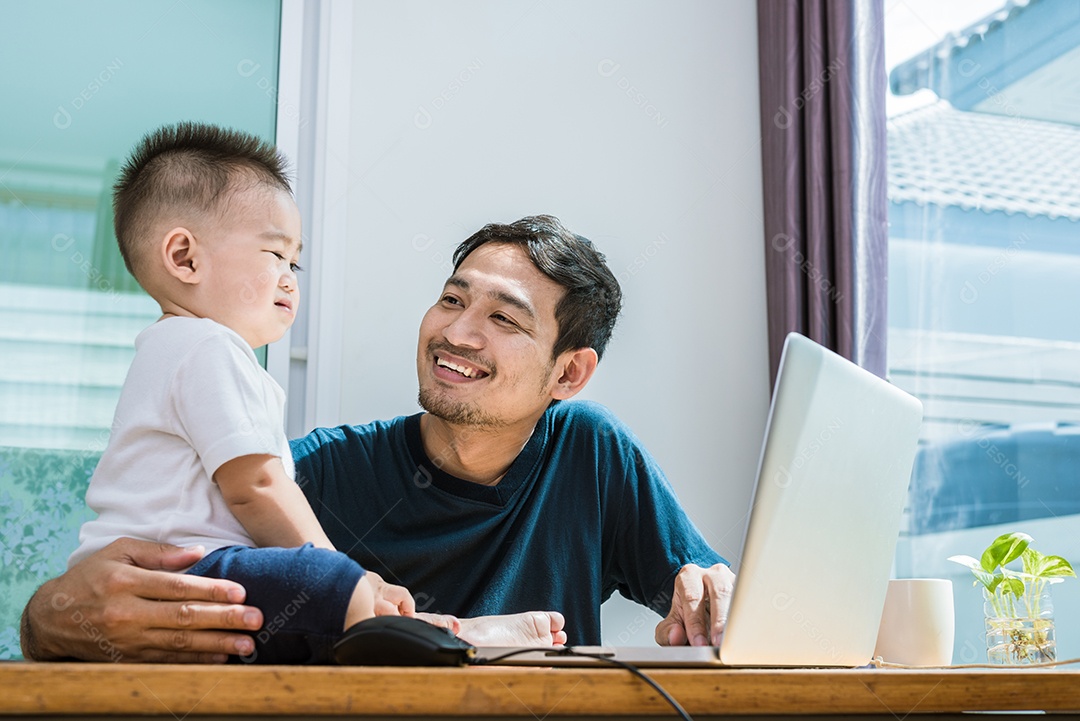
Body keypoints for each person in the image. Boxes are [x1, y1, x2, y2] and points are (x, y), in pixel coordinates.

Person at [21, 214, 735, 663]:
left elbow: (708, 593)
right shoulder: (322, 471)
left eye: (504, 319)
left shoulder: (591, 454)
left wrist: (717, 596)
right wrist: (50, 616)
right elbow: (143, 565)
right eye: (453, 299)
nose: (457, 332)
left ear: (570, 372)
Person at [63, 121, 437, 664]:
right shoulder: (206, 346)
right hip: (177, 574)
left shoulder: (175, 348)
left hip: (153, 582)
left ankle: (421, 627)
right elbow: (256, 486)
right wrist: (349, 576)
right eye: (274, 254)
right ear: (185, 258)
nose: (290, 279)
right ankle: (424, 636)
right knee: (322, 581)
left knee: (311, 606)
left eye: (295, 263)